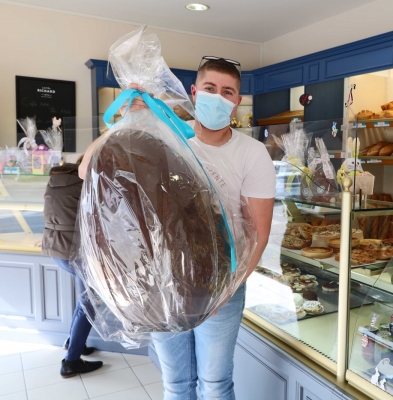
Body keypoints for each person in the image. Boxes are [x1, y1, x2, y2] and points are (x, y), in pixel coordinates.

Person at [79, 57, 275, 400]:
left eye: (227, 92)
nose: (218, 97)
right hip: (161, 284)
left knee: (215, 384)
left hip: (223, 283)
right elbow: (87, 170)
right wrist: (127, 121)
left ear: (237, 101)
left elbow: (258, 232)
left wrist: (227, 290)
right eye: (210, 89)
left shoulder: (252, 153)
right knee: (176, 383)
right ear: (194, 92)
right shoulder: (167, 135)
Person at [42, 159, 103, 378]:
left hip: (57, 249)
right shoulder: (85, 183)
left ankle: (74, 343)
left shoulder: (55, 181)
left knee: (85, 300)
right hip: (78, 254)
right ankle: (71, 361)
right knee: (89, 303)